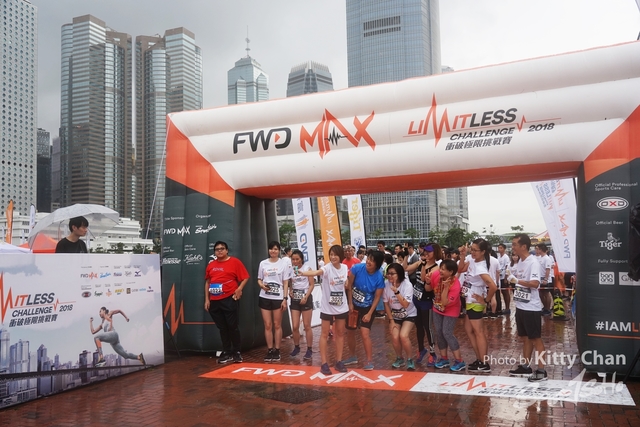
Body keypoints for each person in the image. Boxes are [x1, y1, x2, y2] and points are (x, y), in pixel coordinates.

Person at [297, 245, 350, 375]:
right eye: (331, 254)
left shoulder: (344, 267)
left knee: (340, 333)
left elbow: (346, 280)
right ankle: (324, 363)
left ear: (340, 256)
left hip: (341, 306)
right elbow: (316, 272)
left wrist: (347, 282)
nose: (333, 257)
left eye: (335, 255)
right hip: (327, 307)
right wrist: (303, 273)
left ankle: (339, 361)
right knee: (324, 334)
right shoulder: (327, 268)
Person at [508, 234, 548, 382]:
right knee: (525, 338)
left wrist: (517, 280)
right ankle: (526, 366)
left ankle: (542, 370)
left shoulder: (533, 262)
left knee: (536, 339)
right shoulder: (520, 261)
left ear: (523, 246)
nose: (513, 247)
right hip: (521, 305)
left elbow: (535, 284)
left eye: (515, 244)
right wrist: (513, 278)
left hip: (531, 308)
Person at [204, 241, 250, 364]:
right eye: (217, 249)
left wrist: (239, 289)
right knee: (222, 328)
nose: (219, 251)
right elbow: (207, 282)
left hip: (229, 298)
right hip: (214, 301)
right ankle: (227, 352)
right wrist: (207, 299)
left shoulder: (235, 262)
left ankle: (237, 352)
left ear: (227, 250)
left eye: (222, 248)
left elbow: (245, 277)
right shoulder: (211, 265)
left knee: (232, 327)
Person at [344, 250, 385, 370]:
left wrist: (370, 313)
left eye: (372, 261)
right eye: (368, 259)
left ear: (377, 264)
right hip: (354, 305)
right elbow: (349, 286)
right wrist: (350, 303)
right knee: (350, 331)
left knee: (364, 333)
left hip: (368, 308)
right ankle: (352, 356)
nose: (368, 262)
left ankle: (369, 360)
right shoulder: (357, 268)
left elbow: (377, 297)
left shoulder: (379, 278)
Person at [462, 238, 498, 372]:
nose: (472, 252)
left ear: (483, 252)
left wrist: (486, 300)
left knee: (479, 332)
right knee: (469, 329)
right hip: (469, 299)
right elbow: (460, 269)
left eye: (475, 250)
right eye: (471, 249)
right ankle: (479, 359)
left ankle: (484, 362)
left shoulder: (481, 267)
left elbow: (493, 286)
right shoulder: (473, 261)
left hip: (475, 301)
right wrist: (462, 255)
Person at [405, 243, 441, 366]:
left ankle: (432, 353)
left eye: (429, 252)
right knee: (418, 326)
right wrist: (405, 256)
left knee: (428, 327)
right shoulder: (420, 262)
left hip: (427, 300)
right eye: (425, 251)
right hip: (417, 298)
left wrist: (424, 264)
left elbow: (425, 280)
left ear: (435, 253)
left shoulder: (436, 268)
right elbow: (406, 268)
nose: (426, 253)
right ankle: (421, 349)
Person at [257, 241, 292, 362]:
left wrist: (285, 298)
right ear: (268, 250)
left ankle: (277, 350)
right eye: (271, 249)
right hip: (265, 297)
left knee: (277, 324)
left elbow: (286, 282)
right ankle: (270, 349)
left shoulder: (283, 264)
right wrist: (261, 285)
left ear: (279, 251)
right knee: (267, 325)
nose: (273, 251)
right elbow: (259, 279)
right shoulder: (263, 263)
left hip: (278, 298)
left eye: (276, 249)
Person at [431, 260, 465, 372]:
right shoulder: (437, 275)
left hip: (451, 310)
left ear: (451, 272)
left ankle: (459, 361)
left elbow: (445, 302)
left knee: (447, 333)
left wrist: (446, 288)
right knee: (439, 332)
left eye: (443, 269)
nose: (440, 271)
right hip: (437, 308)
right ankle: (444, 358)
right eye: (440, 268)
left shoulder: (455, 285)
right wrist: (427, 280)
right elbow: (428, 287)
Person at [383, 263, 417, 370]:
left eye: (392, 274)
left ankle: (410, 359)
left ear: (399, 274)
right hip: (395, 315)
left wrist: (396, 292)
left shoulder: (407, 285)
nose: (389, 276)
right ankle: (399, 358)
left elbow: (406, 304)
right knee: (394, 336)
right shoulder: (386, 285)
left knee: (403, 335)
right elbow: (386, 304)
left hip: (409, 313)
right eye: (388, 273)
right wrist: (391, 321)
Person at [289, 249, 315, 360]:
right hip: (295, 299)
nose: (295, 261)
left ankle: (309, 349)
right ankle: (296, 347)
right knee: (295, 326)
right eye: (293, 259)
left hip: (305, 298)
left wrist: (306, 297)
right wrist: (290, 290)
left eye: (297, 259)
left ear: (301, 259)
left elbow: (312, 284)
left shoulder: (307, 269)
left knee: (307, 325)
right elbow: (290, 282)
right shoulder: (290, 269)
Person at [497, 243, 511, 315]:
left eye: (501, 248)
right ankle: (505, 308)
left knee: (506, 293)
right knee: (502, 292)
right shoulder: (498, 257)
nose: (499, 249)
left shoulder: (506, 257)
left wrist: (506, 278)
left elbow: (507, 268)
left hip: (504, 277)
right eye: (498, 248)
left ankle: (507, 308)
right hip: (499, 277)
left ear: (504, 249)